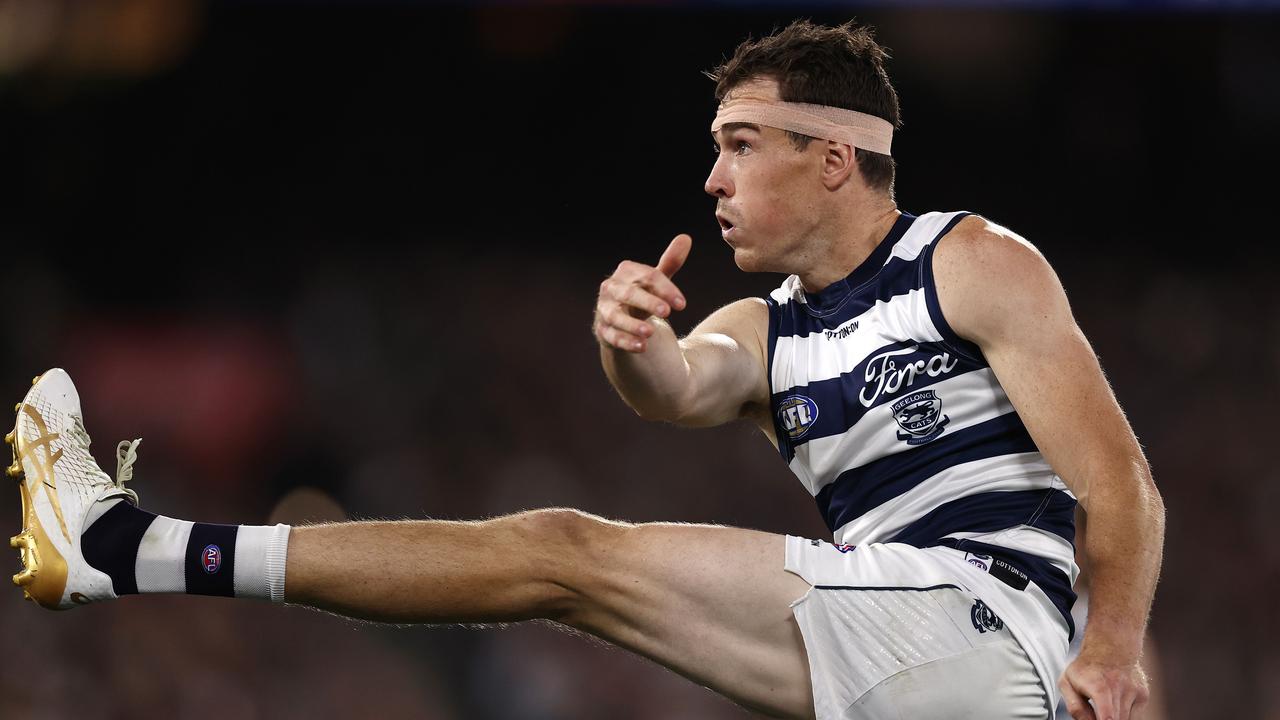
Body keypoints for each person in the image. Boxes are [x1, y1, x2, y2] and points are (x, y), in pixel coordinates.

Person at [6, 20, 1162, 720]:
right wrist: (637, 349)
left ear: (832, 159)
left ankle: (131, 550)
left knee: (562, 554)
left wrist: (1108, 647)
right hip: (904, 665)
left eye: (738, 146)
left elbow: (1119, 485)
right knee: (558, 565)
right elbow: (681, 390)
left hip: (986, 632)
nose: (710, 179)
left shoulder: (966, 259)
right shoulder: (770, 332)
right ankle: (126, 553)